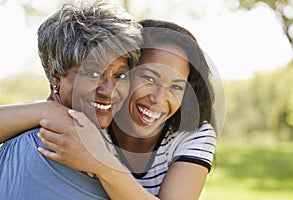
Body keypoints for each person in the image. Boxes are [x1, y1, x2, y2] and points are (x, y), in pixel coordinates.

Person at [0, 19, 217, 199]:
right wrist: (47, 110)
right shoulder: (100, 113)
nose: (158, 98)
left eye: (176, 86)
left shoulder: (194, 135)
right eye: (149, 78)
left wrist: (102, 164)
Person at [0, 0, 142, 199]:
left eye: (120, 75)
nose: (109, 92)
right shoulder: (43, 150)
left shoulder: (97, 139)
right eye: (93, 74)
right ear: (55, 75)